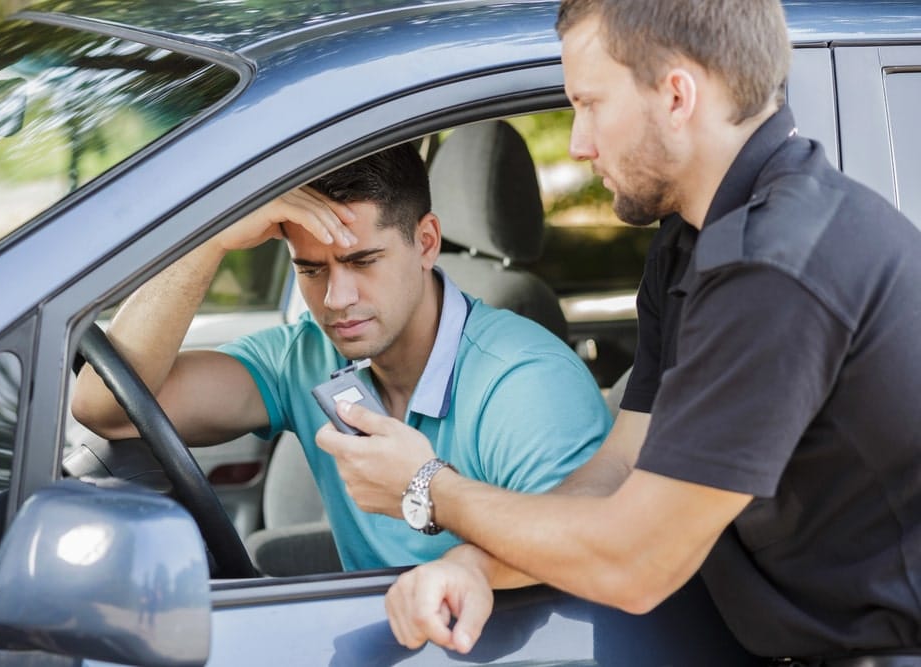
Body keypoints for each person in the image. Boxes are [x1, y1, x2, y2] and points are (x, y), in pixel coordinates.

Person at [315, 0, 921, 663]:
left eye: (590, 103)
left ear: (677, 95)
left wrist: (428, 487)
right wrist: (475, 565)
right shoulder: (692, 244)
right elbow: (617, 469)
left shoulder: (776, 266)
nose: (578, 142)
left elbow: (638, 560)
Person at [71, 143, 611, 571]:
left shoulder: (524, 381)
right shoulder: (305, 355)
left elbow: (584, 563)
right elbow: (107, 409)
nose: (335, 299)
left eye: (363, 261)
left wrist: (427, 488)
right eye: (311, 269)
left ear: (426, 243)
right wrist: (208, 240)